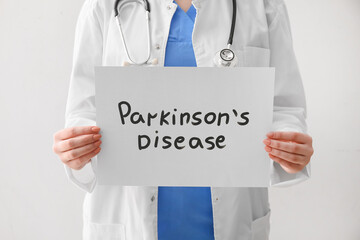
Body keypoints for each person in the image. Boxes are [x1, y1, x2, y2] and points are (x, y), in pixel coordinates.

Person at [52, 0, 314, 239]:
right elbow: (83, 109)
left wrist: (289, 146)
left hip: (234, 220)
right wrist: (77, 146)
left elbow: (283, 107)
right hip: (129, 218)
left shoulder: (261, 6)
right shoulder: (104, 7)